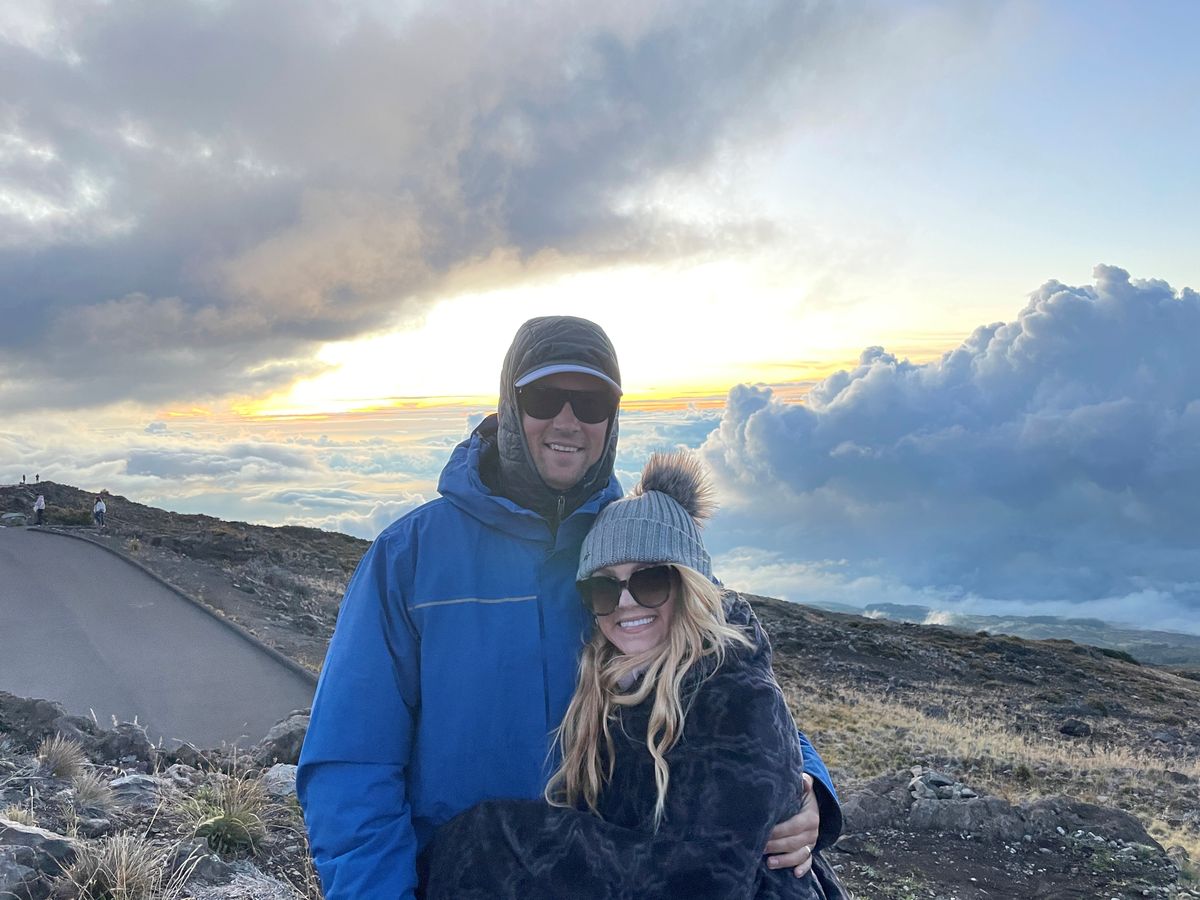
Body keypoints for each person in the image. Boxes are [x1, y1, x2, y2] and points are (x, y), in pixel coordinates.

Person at [297, 316, 842, 900]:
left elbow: (727, 667)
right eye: (543, 397)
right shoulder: (409, 558)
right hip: (468, 882)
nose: (567, 420)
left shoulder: (640, 541)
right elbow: (351, 762)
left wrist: (807, 784)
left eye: (591, 402)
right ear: (510, 408)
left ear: (612, 418)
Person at [422, 451, 846, 899]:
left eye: (650, 580)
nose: (625, 602)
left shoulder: (731, 690)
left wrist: (494, 838)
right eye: (603, 586)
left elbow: (705, 880)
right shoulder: (613, 679)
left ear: (691, 585)